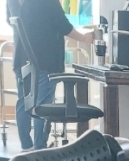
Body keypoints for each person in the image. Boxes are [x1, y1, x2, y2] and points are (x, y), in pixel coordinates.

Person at [7, 0, 93, 150]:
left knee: (24, 102)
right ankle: (40, 148)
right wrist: (85, 38)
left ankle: (26, 146)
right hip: (45, 60)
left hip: (22, 57)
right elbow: (63, 25)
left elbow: (10, 20)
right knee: (43, 105)